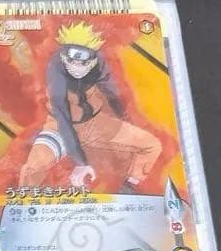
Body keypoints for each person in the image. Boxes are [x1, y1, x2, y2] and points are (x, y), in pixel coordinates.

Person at [19, 21, 162, 193]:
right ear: (63, 57)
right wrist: (81, 163)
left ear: (93, 60)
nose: (77, 67)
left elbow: (113, 95)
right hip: (58, 127)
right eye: (71, 61)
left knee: (151, 145)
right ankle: (25, 200)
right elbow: (63, 117)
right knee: (33, 167)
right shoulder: (55, 70)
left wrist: (126, 120)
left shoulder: (100, 64)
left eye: (83, 62)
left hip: (95, 123)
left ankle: (128, 189)